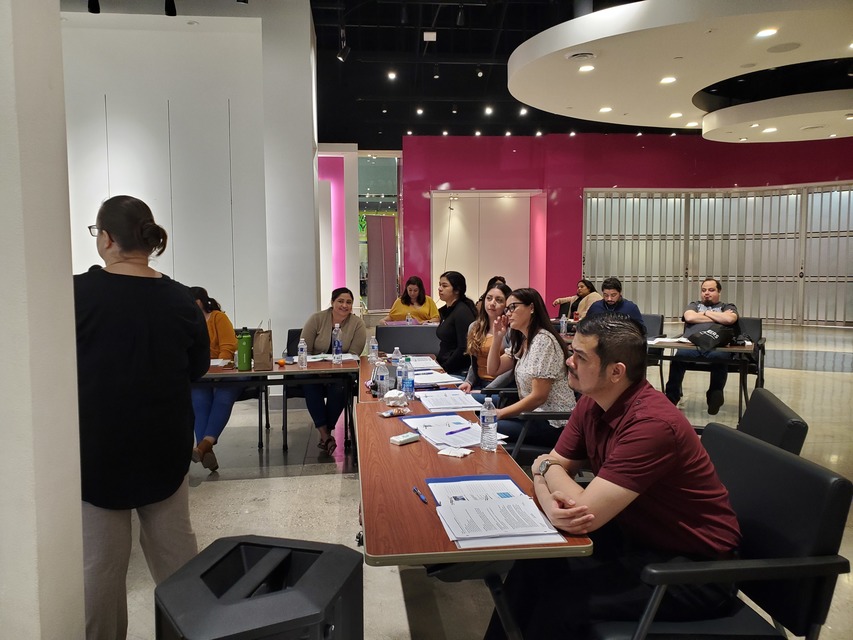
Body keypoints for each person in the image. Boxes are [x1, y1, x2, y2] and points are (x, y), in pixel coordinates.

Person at [483, 314, 741, 639]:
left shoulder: (652, 425)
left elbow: (582, 512)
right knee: (535, 562)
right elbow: (554, 464)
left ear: (616, 372)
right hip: (635, 538)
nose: (569, 362)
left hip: (694, 570)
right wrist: (548, 484)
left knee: (561, 604)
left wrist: (544, 470)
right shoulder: (592, 403)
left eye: (580, 357)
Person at [75, 195, 210, 640]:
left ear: (106, 238)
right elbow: (197, 368)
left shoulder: (75, 294)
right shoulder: (181, 300)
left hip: (97, 452)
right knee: (178, 561)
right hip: (165, 448)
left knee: (99, 571)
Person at [486, 288, 576, 450]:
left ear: (532, 308)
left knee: (485, 426)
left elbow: (538, 397)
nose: (508, 313)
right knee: (483, 422)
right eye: (507, 309)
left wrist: (499, 413)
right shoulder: (525, 340)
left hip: (553, 423)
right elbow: (493, 370)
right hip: (533, 416)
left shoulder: (543, 341)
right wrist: (497, 338)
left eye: (513, 307)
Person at [301, 287, 367, 455]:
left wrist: (335, 368)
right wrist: (319, 368)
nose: (344, 305)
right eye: (340, 301)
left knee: (341, 386)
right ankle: (326, 436)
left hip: (341, 371)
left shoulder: (357, 324)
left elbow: (354, 354)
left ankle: (326, 432)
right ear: (332, 302)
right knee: (310, 385)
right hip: (314, 370)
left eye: (349, 302)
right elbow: (304, 349)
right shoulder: (316, 319)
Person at [665, 277, 739, 415]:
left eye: (711, 290)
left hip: (716, 347)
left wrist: (705, 313)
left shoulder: (728, 307)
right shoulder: (694, 305)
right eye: (704, 290)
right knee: (679, 357)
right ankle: (671, 397)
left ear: (719, 292)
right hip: (692, 345)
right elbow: (690, 317)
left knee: (720, 358)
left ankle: (714, 395)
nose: (706, 293)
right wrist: (718, 317)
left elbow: (729, 319)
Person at [189, 286, 241, 472]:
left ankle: (203, 446)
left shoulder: (218, 317)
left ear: (200, 302)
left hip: (226, 371)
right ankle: (205, 448)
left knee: (223, 397)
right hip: (202, 374)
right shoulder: (189, 322)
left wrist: (218, 370)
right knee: (199, 400)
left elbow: (228, 347)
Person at [459, 283, 514, 399]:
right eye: (489, 298)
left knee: (461, 400)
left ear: (507, 305)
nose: (492, 303)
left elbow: (510, 370)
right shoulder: (474, 327)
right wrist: (468, 382)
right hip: (479, 384)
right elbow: (474, 362)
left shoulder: (512, 330)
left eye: (499, 300)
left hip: (501, 389)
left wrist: (487, 390)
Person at [435, 270, 478, 375]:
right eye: (440, 285)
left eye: (444, 286)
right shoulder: (446, 310)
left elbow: (464, 347)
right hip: (444, 364)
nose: (439, 288)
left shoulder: (462, 311)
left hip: (456, 370)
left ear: (457, 290)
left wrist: (444, 368)